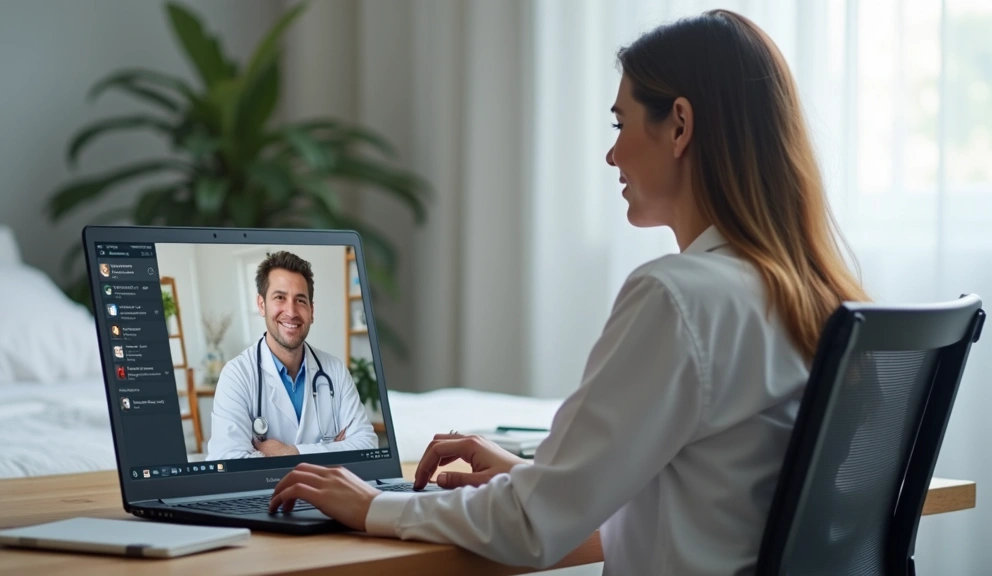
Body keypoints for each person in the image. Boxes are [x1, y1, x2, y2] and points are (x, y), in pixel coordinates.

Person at [266, 10, 869, 575]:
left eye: (621, 123)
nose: (612, 153)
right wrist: (540, 476)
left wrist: (371, 505)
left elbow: (531, 526)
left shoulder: (679, 297)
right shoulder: (811, 294)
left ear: (679, 125)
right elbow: (713, 489)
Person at [205, 251, 378, 460]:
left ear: (311, 311)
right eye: (280, 297)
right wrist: (333, 450)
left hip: (325, 493)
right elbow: (229, 460)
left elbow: (367, 446)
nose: (291, 311)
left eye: (300, 300)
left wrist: (289, 452)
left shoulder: (335, 371)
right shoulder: (236, 375)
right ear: (262, 305)